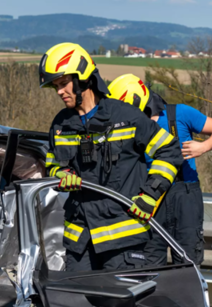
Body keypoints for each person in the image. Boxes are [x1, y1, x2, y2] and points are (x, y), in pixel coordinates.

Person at [40, 43, 183, 272]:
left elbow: (169, 150)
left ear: (83, 78)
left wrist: (150, 195)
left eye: (63, 83)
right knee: (78, 305)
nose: (59, 91)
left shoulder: (126, 116)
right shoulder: (61, 125)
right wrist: (61, 175)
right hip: (80, 241)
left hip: (122, 240)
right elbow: (52, 165)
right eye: (56, 85)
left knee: (120, 306)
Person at [107, 74, 212, 265]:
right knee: (147, 265)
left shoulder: (179, 114)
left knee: (187, 265)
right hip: (148, 197)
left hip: (185, 196)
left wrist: (203, 147)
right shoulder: (128, 127)